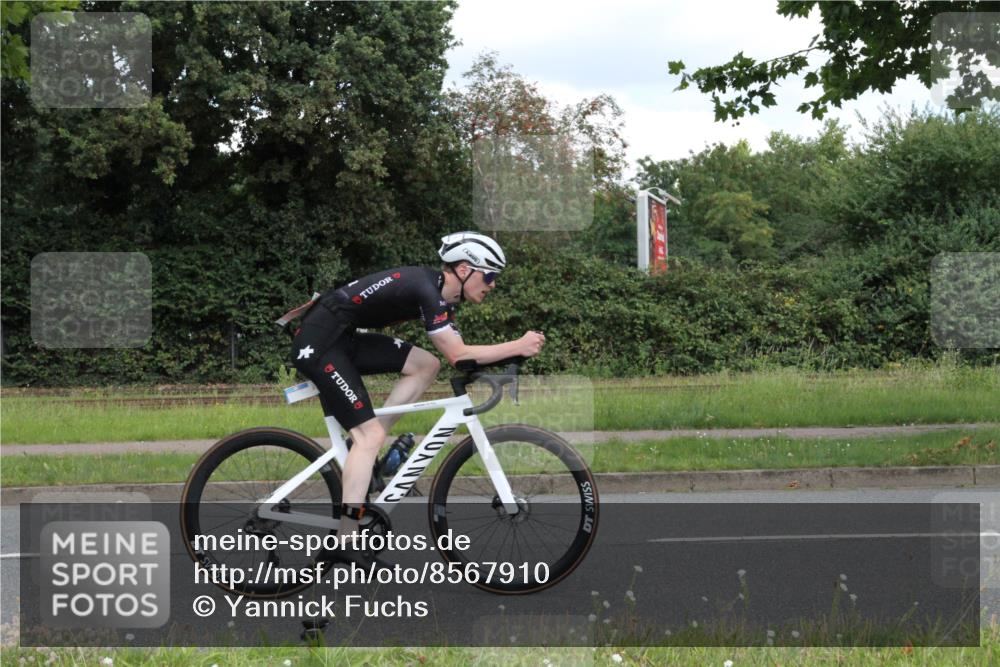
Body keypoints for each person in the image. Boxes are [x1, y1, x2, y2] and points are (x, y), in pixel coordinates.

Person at [287, 232, 545, 565]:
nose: (493, 284)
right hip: (321, 342)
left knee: (426, 365)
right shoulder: (427, 290)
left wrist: (505, 358)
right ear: (464, 269)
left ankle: (364, 452)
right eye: (489, 276)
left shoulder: (440, 296)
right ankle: (345, 540)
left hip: (342, 336)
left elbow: (460, 358)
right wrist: (517, 345)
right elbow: (459, 354)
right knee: (369, 436)